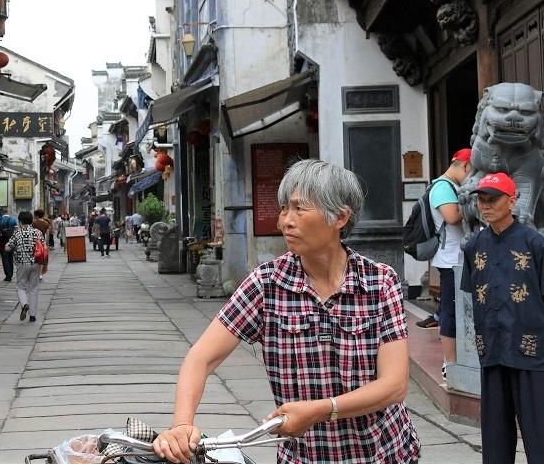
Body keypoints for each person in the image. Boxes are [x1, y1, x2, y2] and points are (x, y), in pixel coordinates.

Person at [152, 159, 419, 464]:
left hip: (383, 454)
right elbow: (201, 358)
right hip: (303, 457)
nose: (285, 221)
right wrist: (182, 424)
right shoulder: (267, 284)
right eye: (284, 209)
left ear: (340, 217)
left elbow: (394, 385)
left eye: (299, 209)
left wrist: (321, 410)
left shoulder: (379, 281)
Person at [462, 172, 544, 464]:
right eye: (481, 199)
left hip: (531, 349)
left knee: (538, 430)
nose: (485, 205)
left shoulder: (535, 243)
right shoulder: (473, 246)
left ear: (512, 200)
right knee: (495, 432)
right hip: (493, 347)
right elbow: (470, 295)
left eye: (493, 199)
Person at [415, 148, 471, 380]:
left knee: (455, 309)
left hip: (459, 258)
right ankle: (450, 363)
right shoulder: (442, 187)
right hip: (450, 261)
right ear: (465, 166)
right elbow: (452, 217)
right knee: (449, 311)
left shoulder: (453, 187)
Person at [5, 211, 44, 323]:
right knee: (33, 288)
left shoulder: (17, 233)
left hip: (22, 263)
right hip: (36, 263)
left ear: (20, 221)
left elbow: (8, 247)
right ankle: (32, 315)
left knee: (21, 286)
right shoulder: (37, 232)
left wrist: (8, 247)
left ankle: (24, 304)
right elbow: (43, 246)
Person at [0, 212, 17, 282]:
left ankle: (7, 275)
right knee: (10, 257)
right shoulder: (13, 220)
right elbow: (16, 231)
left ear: (2, 213)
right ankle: (11, 274)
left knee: (4, 259)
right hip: (11, 240)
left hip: (2, 241)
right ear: (7, 212)